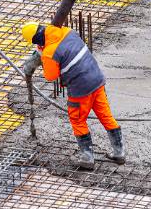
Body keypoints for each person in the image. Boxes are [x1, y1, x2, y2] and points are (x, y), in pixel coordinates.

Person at [20, 22, 125, 170]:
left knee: (77, 120)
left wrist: (43, 57)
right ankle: (119, 152)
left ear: (36, 40)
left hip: (80, 89)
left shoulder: (50, 52)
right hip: (97, 79)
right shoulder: (66, 32)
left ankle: (87, 158)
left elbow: (51, 76)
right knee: (105, 116)